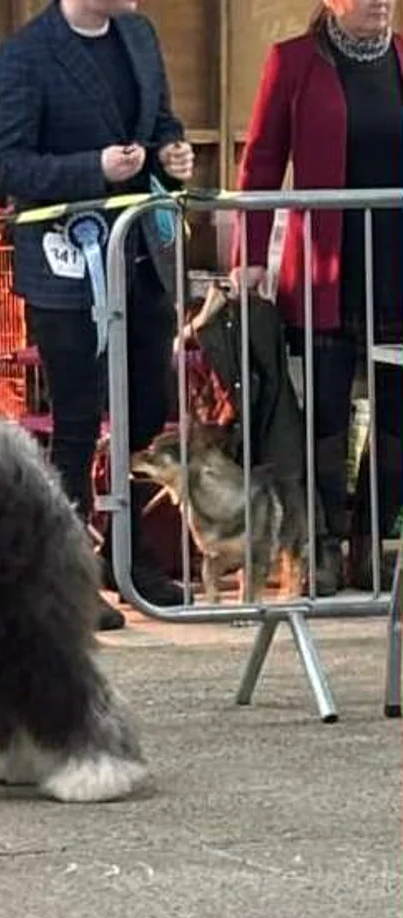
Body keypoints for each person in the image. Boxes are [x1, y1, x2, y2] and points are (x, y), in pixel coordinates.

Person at [0, 0, 195, 630]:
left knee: (147, 407)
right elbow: (6, 164)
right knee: (76, 418)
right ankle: (66, 571)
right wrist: (93, 168)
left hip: (139, 253)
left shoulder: (139, 34)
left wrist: (172, 153)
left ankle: (128, 554)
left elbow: (161, 121)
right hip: (65, 263)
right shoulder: (24, 55)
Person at [233, 0, 402, 594]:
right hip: (327, 269)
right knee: (326, 413)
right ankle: (320, 546)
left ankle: (371, 543)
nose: (381, 1)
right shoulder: (293, 62)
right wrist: (250, 256)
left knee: (397, 414)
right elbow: (260, 164)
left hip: (397, 266)